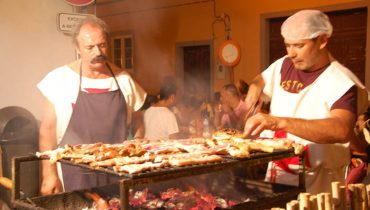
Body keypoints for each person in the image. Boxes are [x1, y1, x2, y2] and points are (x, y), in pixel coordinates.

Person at [243, 10, 368, 194]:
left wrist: (278, 122)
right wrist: (255, 86)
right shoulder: (284, 64)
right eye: (288, 45)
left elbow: (341, 129)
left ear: (322, 40)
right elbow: (261, 79)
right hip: (281, 170)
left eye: (299, 45)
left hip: (319, 180)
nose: (291, 53)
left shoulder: (340, 80)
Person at [37, 15, 146, 194]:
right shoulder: (59, 80)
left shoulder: (124, 80)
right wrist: (49, 174)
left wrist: (136, 143)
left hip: (116, 169)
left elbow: (138, 120)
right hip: (74, 171)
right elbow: (47, 130)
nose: (98, 52)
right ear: (77, 48)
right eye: (90, 47)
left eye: (102, 45)